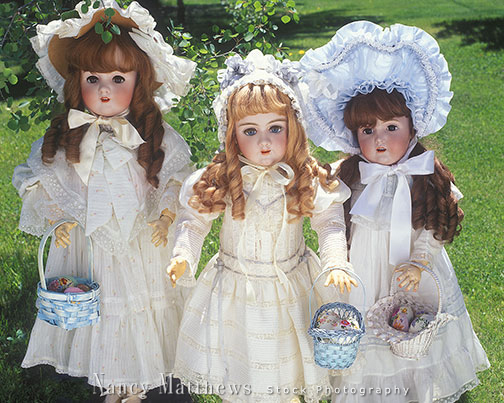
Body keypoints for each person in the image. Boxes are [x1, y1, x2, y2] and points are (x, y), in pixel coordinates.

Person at [12, 1, 195, 401]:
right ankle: (113, 381)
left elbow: (176, 177)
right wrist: (57, 217)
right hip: (89, 247)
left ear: (139, 81)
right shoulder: (68, 138)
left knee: (144, 307)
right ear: (76, 82)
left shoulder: (153, 136)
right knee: (102, 307)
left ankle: (138, 383)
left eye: (118, 78)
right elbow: (37, 179)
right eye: (93, 79)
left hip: (142, 242)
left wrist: (166, 216)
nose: (105, 90)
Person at [299, 20, 489, 402]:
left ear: (412, 126)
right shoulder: (350, 176)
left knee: (415, 324)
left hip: (414, 270)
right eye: (367, 131)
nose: (379, 140)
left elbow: (435, 226)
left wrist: (420, 261)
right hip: (365, 268)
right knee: (368, 324)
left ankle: (418, 383)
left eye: (390, 127)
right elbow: (327, 210)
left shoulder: (424, 176)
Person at [166, 49, 355, 402]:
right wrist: (183, 256)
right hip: (236, 287)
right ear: (232, 134)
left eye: (275, 128)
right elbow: (194, 222)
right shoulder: (224, 178)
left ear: (293, 129)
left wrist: (335, 262)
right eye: (250, 131)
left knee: (287, 356)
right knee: (241, 357)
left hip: (290, 286)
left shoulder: (303, 177)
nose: (264, 142)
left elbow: (329, 221)